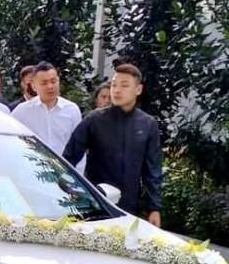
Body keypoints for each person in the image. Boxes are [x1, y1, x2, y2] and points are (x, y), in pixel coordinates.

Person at [63, 64, 162, 226]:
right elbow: (68, 159)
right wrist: (70, 191)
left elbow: (152, 171)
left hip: (130, 206)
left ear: (138, 89)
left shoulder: (148, 124)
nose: (116, 90)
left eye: (124, 85)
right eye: (114, 85)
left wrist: (154, 208)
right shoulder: (94, 120)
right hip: (95, 203)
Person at [11, 61, 82, 155]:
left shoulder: (71, 110)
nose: (50, 86)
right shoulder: (22, 111)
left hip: (63, 163)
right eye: (44, 83)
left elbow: (79, 146)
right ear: (34, 86)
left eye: (53, 81)